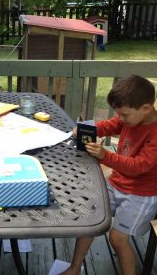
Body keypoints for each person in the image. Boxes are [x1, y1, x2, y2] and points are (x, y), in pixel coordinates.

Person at [62, 75, 157, 275]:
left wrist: (105, 156)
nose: (120, 118)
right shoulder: (130, 118)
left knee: (117, 238)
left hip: (142, 194)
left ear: (146, 108)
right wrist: (86, 129)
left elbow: (139, 166)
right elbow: (110, 125)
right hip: (117, 183)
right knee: (89, 220)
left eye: (124, 114)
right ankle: (75, 267)